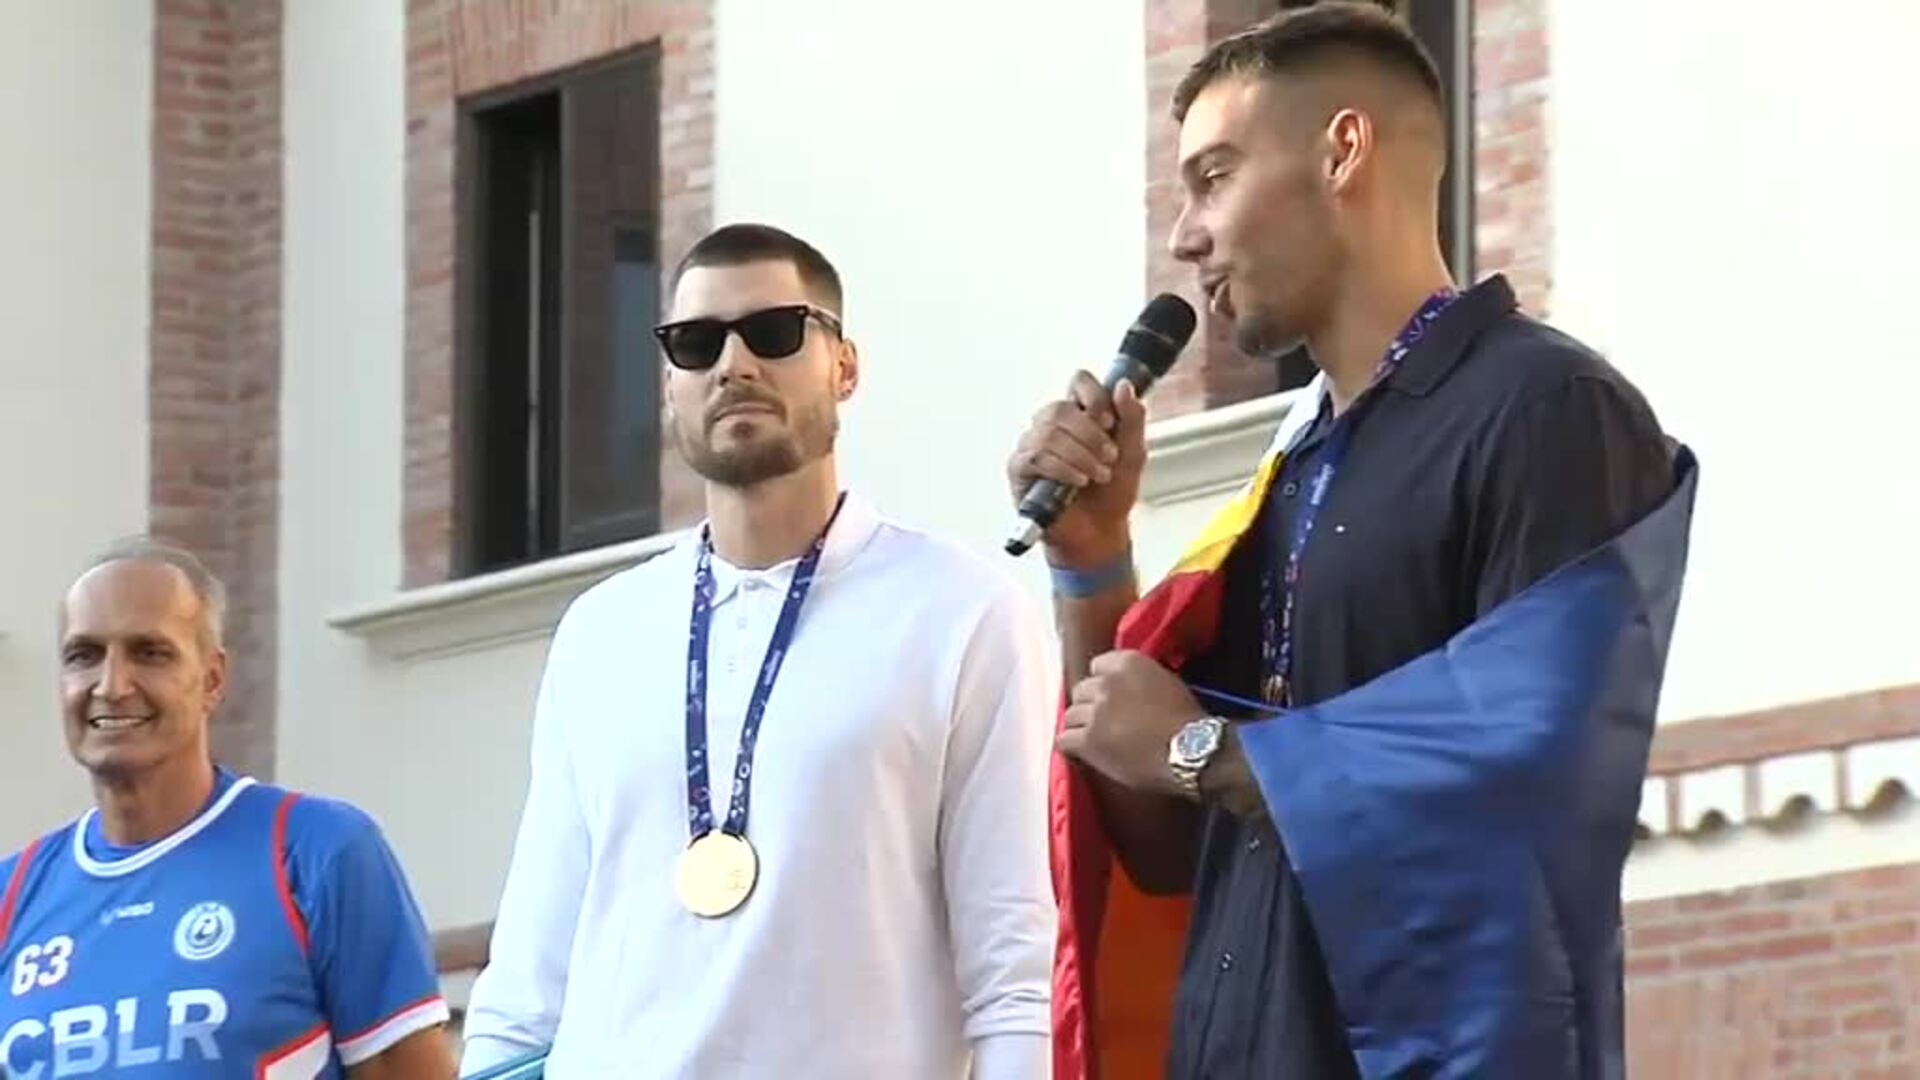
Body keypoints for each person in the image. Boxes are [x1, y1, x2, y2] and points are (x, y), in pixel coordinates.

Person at [1007, 4, 1693, 1078]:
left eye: (1214, 177)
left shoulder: (1546, 408)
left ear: (1342, 151)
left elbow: (1536, 766)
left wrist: (1206, 751)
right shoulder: (1293, 470)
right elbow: (1169, 845)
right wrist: (1092, 564)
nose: (1185, 236)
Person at [461, 223, 1056, 1078]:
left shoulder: (962, 612)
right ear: (669, 386)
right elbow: (528, 975)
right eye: (696, 344)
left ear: (844, 367)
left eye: (774, 332)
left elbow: (1014, 970)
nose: (734, 365)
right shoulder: (600, 631)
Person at [0, 540, 455, 1079]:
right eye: (84, 655)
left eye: (150, 653)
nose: (112, 685)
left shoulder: (317, 852)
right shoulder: (13, 895)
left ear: (212, 679)